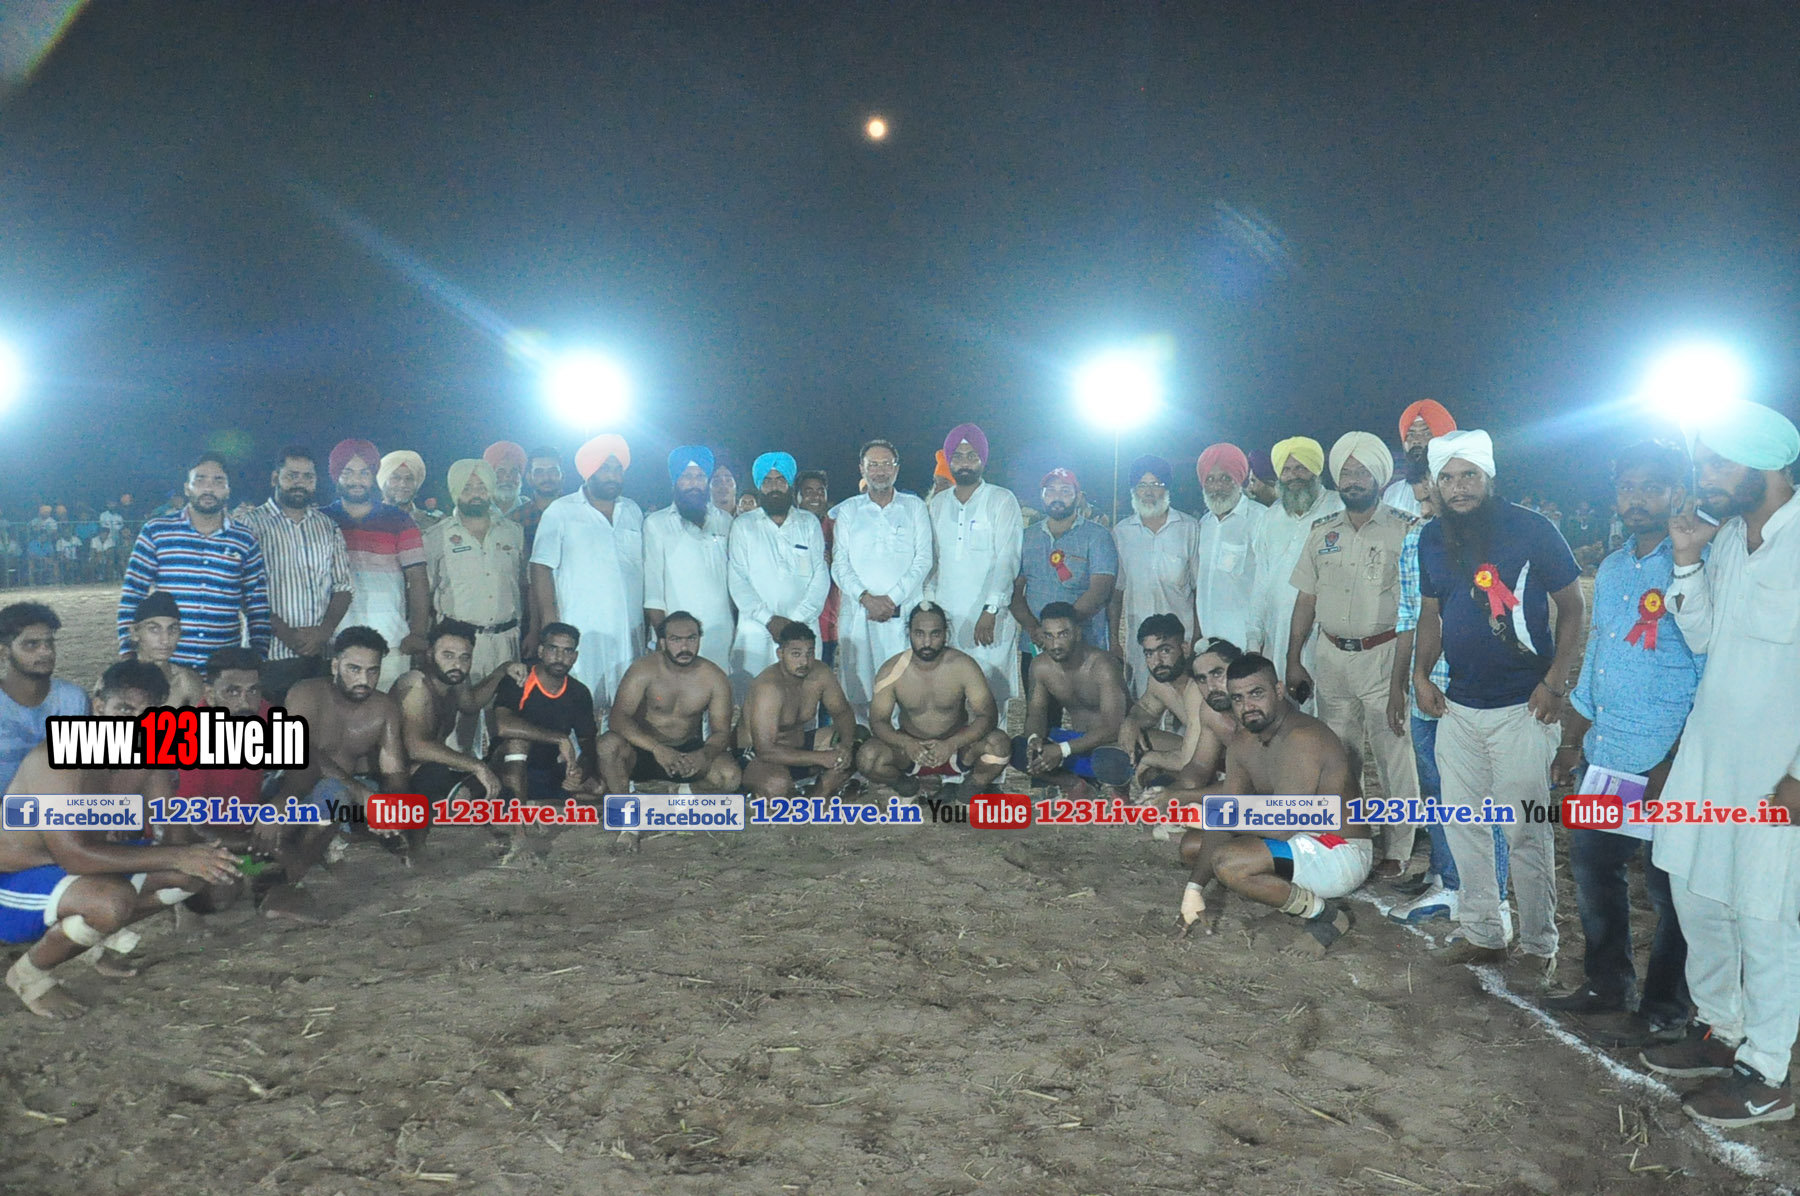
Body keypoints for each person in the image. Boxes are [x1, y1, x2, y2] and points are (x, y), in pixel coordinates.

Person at [1641, 401, 1800, 1129]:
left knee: (1765, 916)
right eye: (1701, 460)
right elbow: (1705, 639)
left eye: (1717, 463)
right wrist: (1686, 559)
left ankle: (1766, 1071)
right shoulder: (1731, 539)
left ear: (1767, 464)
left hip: (1775, 772)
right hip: (1709, 758)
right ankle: (1718, 1028)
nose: (1703, 476)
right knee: (1697, 892)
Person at [1541, 441, 1699, 1048]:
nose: (1637, 499)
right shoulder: (1610, 568)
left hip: (1666, 760)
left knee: (1668, 890)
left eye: (1651, 487)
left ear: (1677, 494)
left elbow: (1710, 670)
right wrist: (1572, 742)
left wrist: (1677, 758)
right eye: (1627, 487)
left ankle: (1665, 1007)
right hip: (1607, 753)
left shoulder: (1695, 568)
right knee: (1593, 869)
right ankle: (1608, 984)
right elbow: (1599, 660)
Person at [1413, 430, 1584, 990]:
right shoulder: (1431, 538)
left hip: (1523, 707)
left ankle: (1539, 945)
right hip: (1459, 707)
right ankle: (1484, 931)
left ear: (1488, 477)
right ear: (1435, 485)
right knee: (1464, 825)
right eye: (1447, 478)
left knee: (1525, 832)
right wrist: (1420, 674)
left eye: (1469, 475)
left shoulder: (1532, 529)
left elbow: (1572, 606)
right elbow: (1432, 613)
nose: (1458, 487)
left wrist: (1555, 684)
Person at [3, 662, 239, 1018]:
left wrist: (203, 855)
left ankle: (88, 942)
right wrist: (179, 854)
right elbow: (74, 856)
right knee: (112, 901)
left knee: (190, 876)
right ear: (99, 707)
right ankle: (29, 976)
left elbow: (171, 826)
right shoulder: (59, 758)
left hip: (70, 867)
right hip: (13, 883)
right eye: (124, 711)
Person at [1286, 432, 1420, 878]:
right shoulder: (1322, 532)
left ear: (1379, 477)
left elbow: (1413, 611)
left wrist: (1400, 682)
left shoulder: (1406, 529)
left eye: (1362, 471)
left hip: (1384, 656)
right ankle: (1350, 836)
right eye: (1346, 471)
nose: (1354, 479)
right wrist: (1293, 658)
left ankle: (1399, 847)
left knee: (1394, 755)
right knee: (1339, 755)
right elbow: (1306, 599)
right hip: (1331, 657)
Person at [1174, 654, 1369, 953]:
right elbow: (1228, 813)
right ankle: (1287, 893)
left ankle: (1327, 917)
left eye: (1256, 694)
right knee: (1193, 847)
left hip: (1338, 851)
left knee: (1228, 861)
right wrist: (1193, 890)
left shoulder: (1303, 738)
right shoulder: (1243, 742)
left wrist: (1217, 816)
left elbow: (1282, 827)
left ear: (1278, 690)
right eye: (1238, 698)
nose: (1247, 706)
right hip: (1296, 841)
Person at [1386, 476, 1511, 928]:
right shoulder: (1417, 539)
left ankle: (1489, 896)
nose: (1427, 497)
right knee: (1436, 789)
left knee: (1480, 796)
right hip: (1428, 687)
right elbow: (1410, 615)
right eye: (1427, 487)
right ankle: (1449, 882)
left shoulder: (1503, 535)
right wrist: (1402, 683)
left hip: (1478, 689)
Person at [273, 627, 410, 904]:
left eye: (372, 671)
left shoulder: (384, 708)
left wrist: (389, 808)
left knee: (400, 805)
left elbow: (394, 771)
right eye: (354, 669)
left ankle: (330, 844)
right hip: (294, 791)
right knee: (333, 794)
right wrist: (360, 793)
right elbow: (301, 752)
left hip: (347, 796)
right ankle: (290, 881)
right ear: (335, 665)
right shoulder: (306, 693)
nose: (364, 680)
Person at [117, 454, 272, 667]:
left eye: (218, 481)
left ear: (228, 489)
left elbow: (257, 605)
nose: (209, 488)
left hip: (223, 670)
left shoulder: (244, 539)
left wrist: (259, 657)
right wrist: (128, 655)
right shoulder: (157, 532)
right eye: (200, 480)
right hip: (167, 668)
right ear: (187, 488)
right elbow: (132, 595)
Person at [529, 433, 646, 711]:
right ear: (589, 470)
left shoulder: (632, 510)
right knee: (582, 700)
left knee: (629, 702)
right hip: (581, 625)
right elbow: (540, 567)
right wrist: (550, 621)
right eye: (605, 468)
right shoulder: (561, 511)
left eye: (617, 469)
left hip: (629, 629)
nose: (612, 476)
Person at [856, 602, 1011, 800]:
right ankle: (910, 788)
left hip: (958, 749)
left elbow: (988, 716)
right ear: (909, 633)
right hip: (911, 752)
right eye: (919, 634)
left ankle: (965, 793)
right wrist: (907, 743)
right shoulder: (891, 670)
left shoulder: (964, 666)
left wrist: (951, 744)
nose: (927, 642)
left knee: (999, 745)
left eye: (935, 634)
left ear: (946, 634)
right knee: (867, 758)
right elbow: (878, 721)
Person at [391, 621, 526, 846]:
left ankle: (502, 846)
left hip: (432, 773)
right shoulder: (416, 686)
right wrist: (476, 766)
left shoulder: (453, 678)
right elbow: (415, 747)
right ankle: (415, 845)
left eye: (465, 657)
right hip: (402, 779)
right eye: (448, 655)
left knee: (501, 796)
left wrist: (503, 670)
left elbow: (470, 704)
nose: (457, 664)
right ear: (430, 654)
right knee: (447, 781)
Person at [424, 459, 528, 749]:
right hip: (459, 646)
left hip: (506, 640)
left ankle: (500, 774)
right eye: (467, 488)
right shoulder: (436, 535)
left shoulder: (513, 532)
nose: (475, 494)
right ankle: (459, 774)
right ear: (454, 492)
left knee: (504, 720)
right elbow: (425, 591)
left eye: (481, 487)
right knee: (459, 726)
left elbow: (523, 584)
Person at [238, 446, 353, 704]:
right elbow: (243, 589)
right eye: (292, 475)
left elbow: (343, 587)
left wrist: (324, 632)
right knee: (271, 725)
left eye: (308, 477)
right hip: (269, 656)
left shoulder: (327, 526)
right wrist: (287, 634)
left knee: (316, 726)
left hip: (320, 656)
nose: (300, 483)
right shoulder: (249, 525)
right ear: (275, 478)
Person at [830, 440, 933, 724]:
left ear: (896, 469)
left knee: (905, 687)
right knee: (859, 690)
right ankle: (864, 746)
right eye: (873, 465)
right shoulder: (849, 510)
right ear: (862, 469)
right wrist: (866, 598)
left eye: (886, 464)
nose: (880, 471)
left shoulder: (914, 507)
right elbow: (840, 564)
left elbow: (924, 559)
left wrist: (891, 599)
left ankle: (902, 746)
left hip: (902, 613)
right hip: (859, 614)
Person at [924, 424, 1024, 709]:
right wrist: (929, 607)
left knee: (990, 700)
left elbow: (1008, 558)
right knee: (948, 698)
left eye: (972, 456)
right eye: (957, 456)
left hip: (989, 619)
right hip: (946, 617)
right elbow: (932, 562)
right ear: (949, 461)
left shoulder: (1001, 500)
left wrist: (991, 609)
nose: (964, 463)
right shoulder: (938, 504)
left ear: (983, 460)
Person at [322, 438, 430, 689]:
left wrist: (417, 633)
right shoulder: (322, 519)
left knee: (390, 709)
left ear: (374, 476)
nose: (356, 480)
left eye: (364, 473)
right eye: (348, 472)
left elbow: (418, 580)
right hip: (334, 640)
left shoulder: (399, 520)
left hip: (391, 641)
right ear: (336, 475)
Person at [596, 611, 740, 796]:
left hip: (686, 752)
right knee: (608, 745)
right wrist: (657, 749)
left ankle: (682, 791)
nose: (684, 647)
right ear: (663, 642)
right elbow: (618, 719)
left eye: (691, 638)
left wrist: (704, 754)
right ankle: (623, 805)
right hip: (642, 748)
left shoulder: (714, 678)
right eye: (676, 639)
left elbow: (721, 732)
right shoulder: (643, 670)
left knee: (730, 776)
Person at [1247, 437, 1342, 709]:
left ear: (1316, 470)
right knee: (1284, 713)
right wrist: (1254, 640)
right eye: (1286, 470)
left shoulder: (1339, 508)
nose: (1293, 476)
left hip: (1327, 635)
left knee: (1329, 713)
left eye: (1301, 468)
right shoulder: (1270, 518)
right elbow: (1261, 583)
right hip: (1278, 634)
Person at [727, 451, 829, 698]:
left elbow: (820, 576)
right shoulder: (743, 525)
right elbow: (737, 580)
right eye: (768, 481)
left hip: (803, 629)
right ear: (759, 486)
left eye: (781, 480)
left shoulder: (808, 523)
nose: (774, 487)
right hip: (756, 631)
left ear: (790, 484)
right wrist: (769, 620)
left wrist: (794, 623)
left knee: (804, 702)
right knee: (754, 701)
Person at [1013, 468, 1118, 699]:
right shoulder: (1026, 537)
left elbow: (1101, 589)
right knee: (1039, 711)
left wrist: (1061, 631)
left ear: (1078, 497)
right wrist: (1035, 629)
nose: (1057, 497)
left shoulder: (1098, 536)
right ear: (1042, 496)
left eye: (1065, 491)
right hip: (1036, 644)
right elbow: (1014, 590)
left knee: (1089, 713)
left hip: (1085, 644)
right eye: (1050, 491)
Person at [1011, 602, 1131, 793]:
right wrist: (1034, 739)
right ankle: (1074, 784)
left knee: (1111, 759)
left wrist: (1062, 750)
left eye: (1063, 634)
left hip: (1107, 746)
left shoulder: (1103, 665)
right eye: (1048, 636)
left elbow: (1113, 728)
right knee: (1018, 748)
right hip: (1074, 745)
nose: (1055, 644)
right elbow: (1036, 714)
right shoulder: (1040, 666)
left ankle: (1116, 791)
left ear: (1078, 633)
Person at [1111, 455, 1200, 697]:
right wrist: (1114, 641)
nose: (1149, 492)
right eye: (1142, 485)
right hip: (1140, 641)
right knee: (1143, 698)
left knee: (1184, 699)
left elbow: (1198, 590)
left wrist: (1196, 638)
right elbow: (1116, 593)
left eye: (1156, 484)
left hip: (1181, 638)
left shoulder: (1189, 528)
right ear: (1134, 490)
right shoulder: (1122, 533)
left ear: (1167, 489)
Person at [1119, 618, 1240, 794]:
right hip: (1197, 754)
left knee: (1161, 769)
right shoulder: (1159, 681)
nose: (1157, 662)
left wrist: (1150, 758)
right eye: (1149, 654)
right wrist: (1131, 722)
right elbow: (1146, 710)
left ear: (1184, 648)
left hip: (1226, 760)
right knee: (1130, 741)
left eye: (1165, 650)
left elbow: (1190, 761)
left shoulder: (1199, 687)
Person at [643, 446, 735, 674]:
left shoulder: (725, 521)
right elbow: (653, 590)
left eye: (700, 477)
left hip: (721, 635)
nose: (694, 484)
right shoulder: (656, 523)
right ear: (675, 481)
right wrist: (664, 637)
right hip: (677, 639)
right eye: (687, 476)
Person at [740, 623, 858, 799]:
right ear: (780, 654)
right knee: (777, 785)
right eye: (796, 654)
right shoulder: (769, 688)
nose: (804, 662)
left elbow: (842, 713)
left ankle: (815, 796)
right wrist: (821, 758)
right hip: (757, 755)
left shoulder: (820, 673)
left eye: (809, 653)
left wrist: (846, 746)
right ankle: (769, 792)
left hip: (799, 749)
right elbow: (765, 750)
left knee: (859, 743)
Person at [492, 622, 599, 807]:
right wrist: (559, 738)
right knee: (518, 744)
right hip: (507, 764)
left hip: (547, 768)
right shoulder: (520, 678)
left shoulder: (579, 692)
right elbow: (503, 725)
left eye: (567, 651)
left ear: (574, 657)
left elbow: (588, 744)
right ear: (541, 651)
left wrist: (579, 771)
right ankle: (519, 816)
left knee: (597, 788)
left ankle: (535, 805)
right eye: (553, 649)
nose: (560, 658)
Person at [0, 603, 90, 792]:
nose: (46, 651)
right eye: (31, 644)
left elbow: (84, 769)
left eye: (49, 643)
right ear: (4, 652)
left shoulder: (73, 700)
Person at [1193, 443, 1267, 653]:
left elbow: (1267, 584)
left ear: (1239, 479)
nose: (1217, 487)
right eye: (1210, 479)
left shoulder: (1260, 519)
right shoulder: (1204, 524)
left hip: (1247, 643)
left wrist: (1256, 642)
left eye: (1225, 478)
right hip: (1209, 642)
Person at [122, 591, 206, 708]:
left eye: (172, 629)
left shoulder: (187, 682)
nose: (165, 639)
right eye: (154, 629)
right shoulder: (116, 681)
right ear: (134, 633)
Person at [795, 469, 841, 668]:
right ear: (797, 496)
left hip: (831, 622)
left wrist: (835, 562)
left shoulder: (837, 528)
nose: (816, 496)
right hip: (798, 618)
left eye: (821, 491)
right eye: (809, 491)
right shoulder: (789, 528)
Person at [1382, 399, 1457, 515]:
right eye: (1410, 434)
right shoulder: (1394, 493)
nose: (1416, 440)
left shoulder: (1460, 490)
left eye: (1427, 434)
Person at [512, 445, 565, 554]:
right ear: (529, 478)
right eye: (539, 472)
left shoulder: (580, 514)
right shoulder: (517, 519)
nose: (547, 478)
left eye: (553, 471)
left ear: (562, 475)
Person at [379, 450, 441, 531]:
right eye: (396, 478)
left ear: (417, 483)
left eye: (409, 479)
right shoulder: (367, 522)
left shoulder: (432, 524)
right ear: (383, 482)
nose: (403, 484)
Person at [483, 440, 530, 517]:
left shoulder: (531, 510)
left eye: (514, 472)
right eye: (501, 471)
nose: (507, 477)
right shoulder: (477, 508)